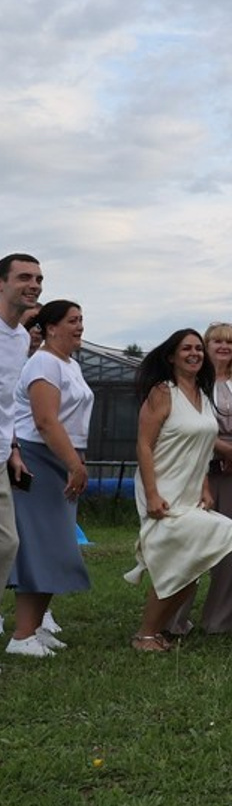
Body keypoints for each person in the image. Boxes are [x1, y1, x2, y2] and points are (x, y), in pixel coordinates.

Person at [127, 331, 232, 652]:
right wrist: (153, 494)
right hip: (163, 489)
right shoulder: (162, 392)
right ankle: (145, 635)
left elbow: (201, 446)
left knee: (191, 561)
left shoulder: (201, 392)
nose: (195, 353)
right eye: (187, 348)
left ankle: (155, 632)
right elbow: (144, 446)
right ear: (171, 356)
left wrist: (205, 486)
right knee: (182, 560)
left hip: (191, 491)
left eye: (199, 348)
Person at [5, 300, 91, 658]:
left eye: (81, 320)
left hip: (61, 459)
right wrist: (75, 464)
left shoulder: (69, 364)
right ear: (51, 327)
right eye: (73, 321)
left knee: (55, 546)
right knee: (41, 547)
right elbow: (45, 421)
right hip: (42, 459)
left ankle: (37, 626)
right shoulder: (43, 362)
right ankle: (22, 636)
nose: (80, 326)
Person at [0, 253, 43, 642]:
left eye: (39, 278)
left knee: (7, 542)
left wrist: (13, 448)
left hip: (0, 455)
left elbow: (8, 402)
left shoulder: (18, 340)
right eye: (24, 277)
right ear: (1, 283)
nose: (34, 284)